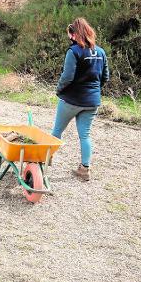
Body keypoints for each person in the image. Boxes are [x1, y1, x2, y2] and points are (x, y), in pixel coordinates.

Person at [52, 18, 109, 181]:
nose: (69, 38)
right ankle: (84, 169)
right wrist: (93, 91)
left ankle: (43, 161)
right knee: (85, 136)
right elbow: (105, 77)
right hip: (92, 102)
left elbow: (67, 76)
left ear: (75, 34)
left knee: (57, 131)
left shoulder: (74, 51)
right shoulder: (101, 52)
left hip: (71, 100)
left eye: (70, 35)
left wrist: (59, 90)